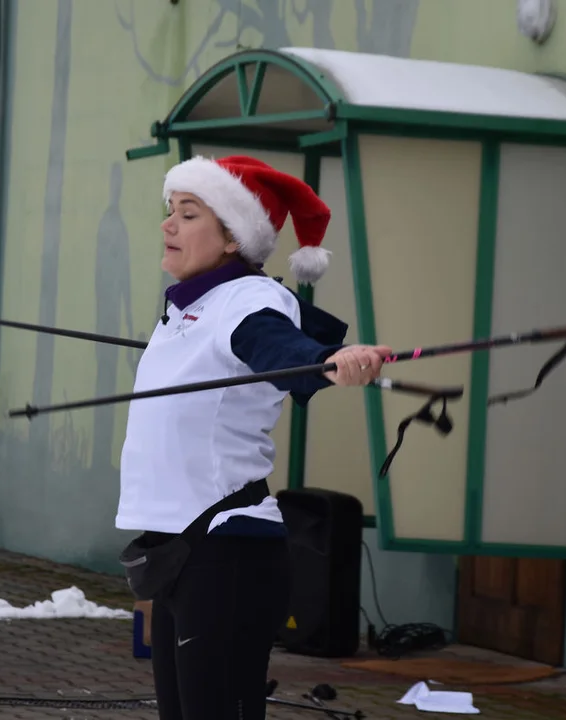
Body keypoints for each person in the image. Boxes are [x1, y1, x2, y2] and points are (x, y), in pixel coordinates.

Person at [115, 154, 391, 720]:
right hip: (182, 550)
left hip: (226, 554)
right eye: (171, 211)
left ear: (232, 239)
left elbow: (276, 347)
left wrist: (327, 361)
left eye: (188, 214)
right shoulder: (192, 307)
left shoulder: (249, 301)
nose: (168, 225)